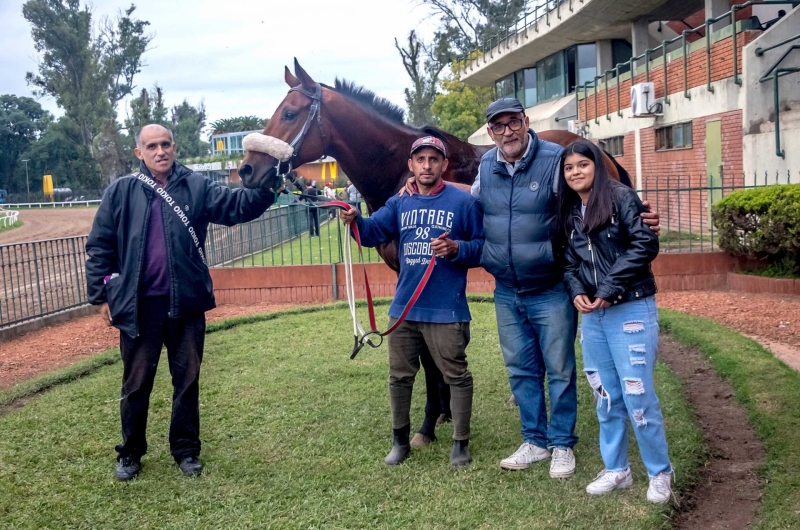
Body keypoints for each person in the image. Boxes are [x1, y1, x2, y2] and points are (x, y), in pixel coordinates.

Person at [86, 124, 275, 481]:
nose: (161, 151)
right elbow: (100, 246)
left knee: (186, 381)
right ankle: (130, 453)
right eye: (152, 146)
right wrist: (100, 295)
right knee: (136, 383)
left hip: (185, 303)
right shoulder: (121, 191)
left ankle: (186, 451)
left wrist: (267, 186)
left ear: (175, 147)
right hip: (139, 307)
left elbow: (237, 206)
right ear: (139, 152)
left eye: (166, 144)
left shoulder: (196, 185)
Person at [340, 136, 484, 467]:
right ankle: (400, 441)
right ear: (411, 165)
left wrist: (457, 249)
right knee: (399, 376)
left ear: (444, 165)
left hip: (447, 308)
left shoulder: (462, 203)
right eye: (420, 159)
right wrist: (353, 220)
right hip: (405, 309)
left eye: (434, 159)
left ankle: (460, 442)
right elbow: (371, 233)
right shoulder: (399, 202)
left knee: (456, 374)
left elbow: (482, 246)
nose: (427, 165)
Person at [557, 139, 672, 503]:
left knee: (638, 395)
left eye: (582, 165)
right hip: (593, 316)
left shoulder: (621, 197)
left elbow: (644, 244)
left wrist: (608, 287)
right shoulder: (570, 211)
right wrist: (577, 290)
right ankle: (616, 469)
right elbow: (569, 260)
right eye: (569, 167)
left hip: (631, 308)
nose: (575, 172)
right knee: (605, 396)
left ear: (597, 166)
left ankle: (660, 473)